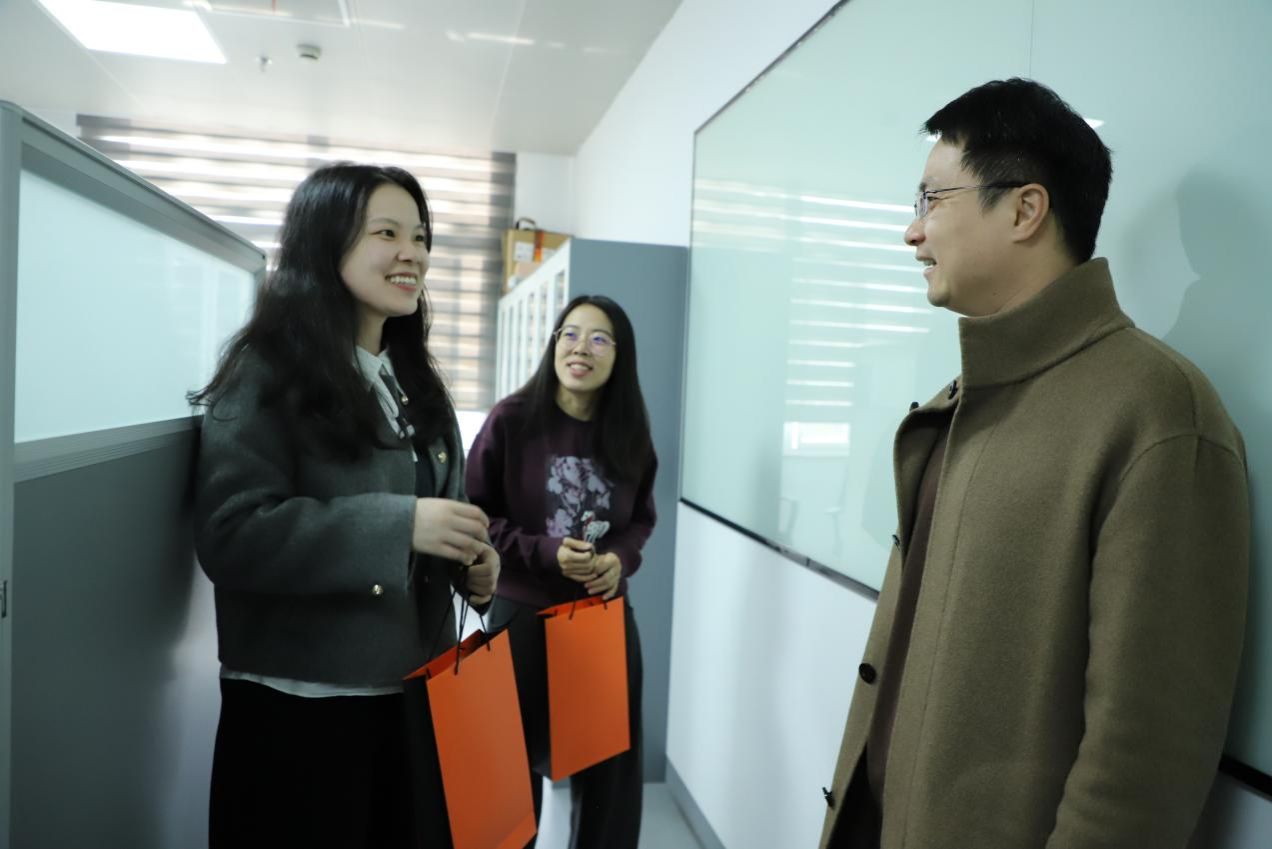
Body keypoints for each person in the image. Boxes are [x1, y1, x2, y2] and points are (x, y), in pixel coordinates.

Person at [819, 78, 1250, 849]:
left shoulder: (1157, 412)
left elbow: (1141, 765)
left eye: (931, 199)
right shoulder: (968, 396)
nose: (912, 232)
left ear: (1024, 210)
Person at [190, 162, 500, 848]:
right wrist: (402, 524)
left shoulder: (413, 381)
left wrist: (474, 566)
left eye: (420, 237)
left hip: (412, 700)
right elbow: (231, 533)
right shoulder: (264, 371)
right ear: (324, 242)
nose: (412, 253)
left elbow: (443, 517)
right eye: (386, 233)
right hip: (302, 713)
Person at [466, 295, 657, 849]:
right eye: (569, 334)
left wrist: (618, 559)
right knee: (508, 779)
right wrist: (547, 552)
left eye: (599, 339)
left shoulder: (630, 433)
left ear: (619, 355)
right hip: (522, 615)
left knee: (610, 780)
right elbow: (476, 515)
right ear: (554, 345)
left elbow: (639, 520)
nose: (581, 348)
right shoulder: (511, 421)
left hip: (600, 617)